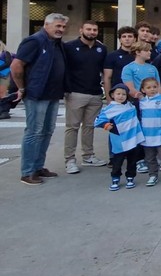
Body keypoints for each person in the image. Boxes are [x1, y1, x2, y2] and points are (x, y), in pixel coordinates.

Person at [11, 13, 69, 185]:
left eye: (63, 27)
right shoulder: (34, 41)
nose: (61, 30)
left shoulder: (58, 44)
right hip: (37, 94)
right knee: (34, 132)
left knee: (46, 131)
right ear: (46, 24)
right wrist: (22, 88)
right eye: (58, 26)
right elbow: (16, 65)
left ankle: (38, 167)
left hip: (53, 94)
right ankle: (27, 172)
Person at [63, 20, 108, 174]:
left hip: (95, 93)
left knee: (89, 127)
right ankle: (69, 160)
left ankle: (88, 156)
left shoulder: (101, 49)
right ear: (81, 30)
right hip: (75, 93)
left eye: (94, 30)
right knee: (72, 127)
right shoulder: (69, 47)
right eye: (89, 29)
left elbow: (104, 71)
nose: (92, 32)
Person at [95, 83, 144, 191]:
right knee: (118, 161)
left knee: (132, 161)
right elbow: (98, 120)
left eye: (123, 94)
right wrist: (106, 125)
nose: (121, 96)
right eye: (118, 94)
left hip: (133, 139)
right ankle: (115, 178)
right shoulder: (109, 109)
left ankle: (130, 177)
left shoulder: (130, 106)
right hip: (119, 141)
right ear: (112, 95)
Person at [138, 77, 161, 186]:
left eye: (155, 87)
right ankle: (153, 175)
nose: (152, 89)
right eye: (149, 87)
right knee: (150, 158)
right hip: (147, 136)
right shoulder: (141, 102)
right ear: (143, 90)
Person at [103, 26, 136, 103]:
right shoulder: (112, 56)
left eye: (130, 36)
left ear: (135, 39)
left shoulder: (139, 56)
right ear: (120, 39)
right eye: (124, 36)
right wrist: (109, 98)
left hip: (135, 96)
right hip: (118, 96)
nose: (127, 39)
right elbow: (107, 78)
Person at [0, 40, 14, 119]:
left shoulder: (5, 53)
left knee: (2, 94)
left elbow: (8, 63)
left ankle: (4, 111)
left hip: (4, 75)